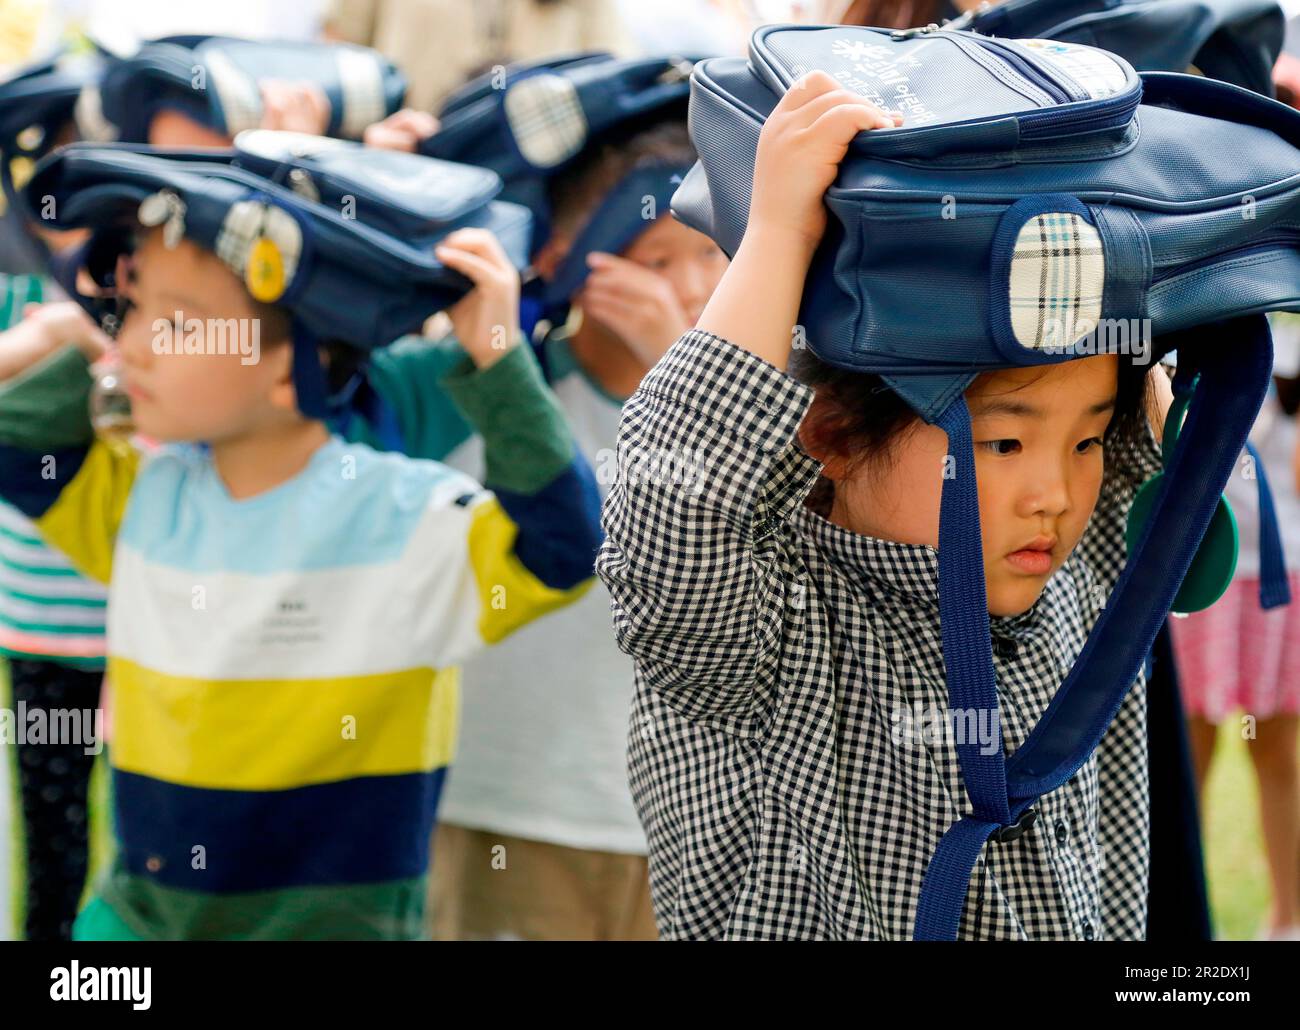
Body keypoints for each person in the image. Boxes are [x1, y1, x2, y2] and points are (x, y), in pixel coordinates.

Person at [596, 72, 1176, 939]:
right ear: (826, 433)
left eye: (1087, 443)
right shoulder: (769, 635)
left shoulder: (1079, 592)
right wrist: (780, 231)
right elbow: (675, 519)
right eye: (1002, 445)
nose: (1056, 494)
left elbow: (1162, 435)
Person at [0, 144, 602, 940]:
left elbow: (564, 549)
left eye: (177, 322)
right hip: (137, 923)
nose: (135, 342)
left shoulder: (405, 518)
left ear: (297, 367)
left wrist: (496, 358)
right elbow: (16, 444)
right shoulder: (140, 494)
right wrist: (86, 341)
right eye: (133, 307)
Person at [422, 119, 727, 940]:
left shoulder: (751, 412)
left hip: (687, 828)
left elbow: (731, 566)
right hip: (515, 809)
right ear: (572, 261)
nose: (691, 285)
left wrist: (684, 366)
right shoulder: (498, 398)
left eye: (711, 251)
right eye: (657, 259)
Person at [1168, 316, 1300, 941]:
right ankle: (1183, 918)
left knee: (1275, 752)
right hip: (1200, 574)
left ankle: (1288, 921)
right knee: (1190, 748)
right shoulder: (1202, 327)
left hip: (1280, 576)